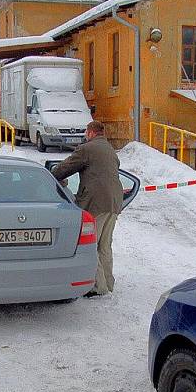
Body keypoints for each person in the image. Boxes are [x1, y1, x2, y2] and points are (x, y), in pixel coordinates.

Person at [51, 121, 123, 296]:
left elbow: (66, 168)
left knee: (91, 244)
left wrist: (50, 176)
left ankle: (98, 287)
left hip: (95, 203)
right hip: (113, 202)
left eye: (85, 133)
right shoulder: (109, 149)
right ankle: (107, 283)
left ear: (91, 133)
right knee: (105, 245)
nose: (85, 136)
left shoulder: (87, 149)